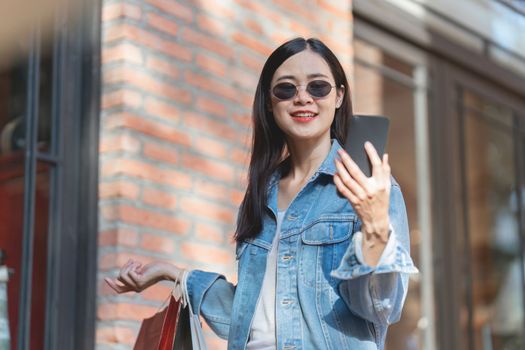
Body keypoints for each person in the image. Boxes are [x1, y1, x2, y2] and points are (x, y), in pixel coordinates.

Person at [106, 37, 418, 350]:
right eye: (286, 88)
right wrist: (173, 274)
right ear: (269, 102)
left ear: (338, 96)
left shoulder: (369, 188)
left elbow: (382, 308)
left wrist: (376, 228)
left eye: (318, 87)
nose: (302, 98)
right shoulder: (261, 193)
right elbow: (245, 316)